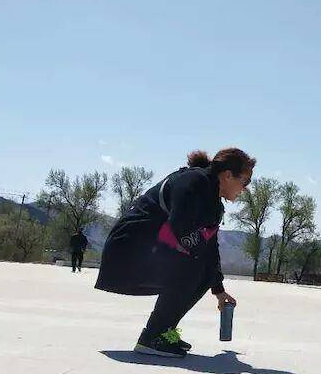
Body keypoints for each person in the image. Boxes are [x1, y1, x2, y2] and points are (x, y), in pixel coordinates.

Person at [95, 147, 255, 357]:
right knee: (195, 265)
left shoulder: (212, 201)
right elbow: (180, 228)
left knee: (203, 270)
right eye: (244, 182)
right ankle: (153, 336)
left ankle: (162, 331)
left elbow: (209, 247)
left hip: (147, 250)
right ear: (227, 175)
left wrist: (218, 290)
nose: (244, 189)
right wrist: (200, 265)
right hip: (127, 251)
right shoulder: (193, 182)